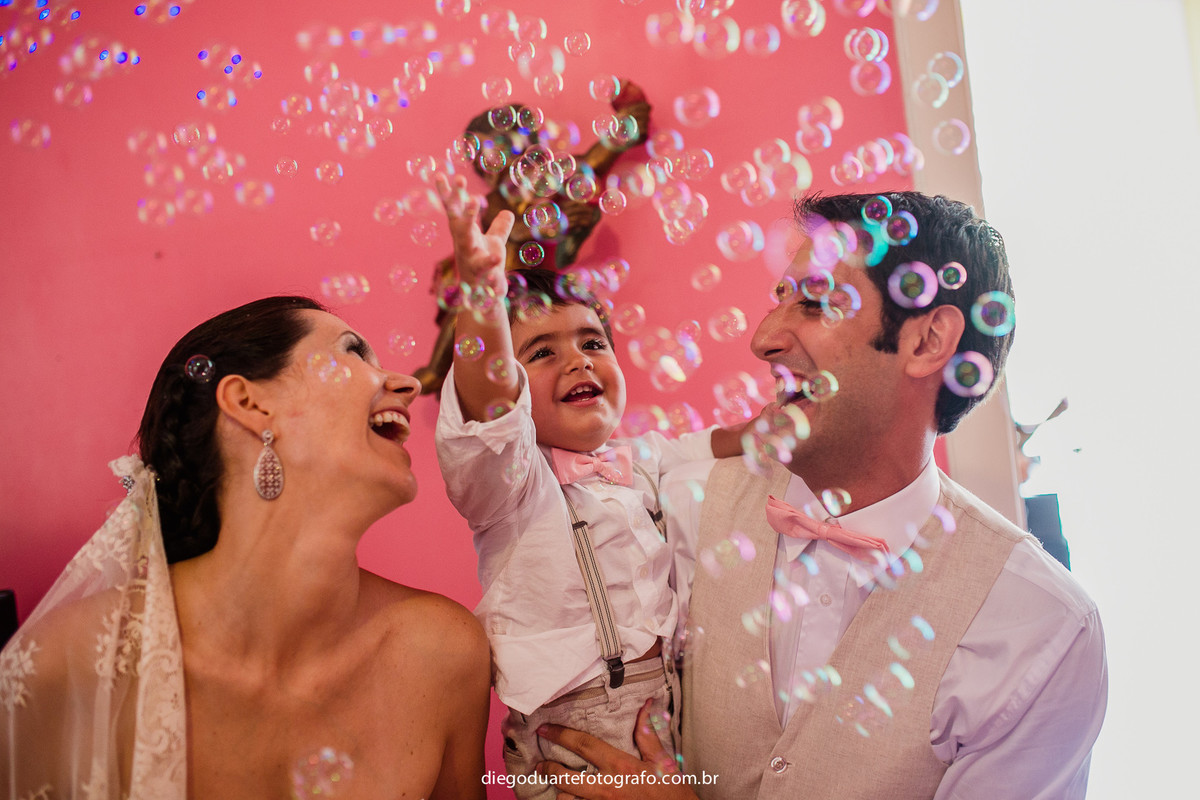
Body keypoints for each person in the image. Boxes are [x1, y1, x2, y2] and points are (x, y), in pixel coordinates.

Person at [536, 192, 1108, 799]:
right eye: (778, 300)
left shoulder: (1041, 631)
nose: (763, 340)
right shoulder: (680, 507)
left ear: (927, 340)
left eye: (814, 301)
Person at [0, 297, 490, 799]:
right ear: (250, 404)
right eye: (353, 353)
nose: (406, 384)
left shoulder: (444, 652)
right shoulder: (68, 664)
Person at [432, 174, 747, 799]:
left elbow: (725, 440)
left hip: (669, 718)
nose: (578, 360)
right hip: (564, 740)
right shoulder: (510, 485)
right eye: (542, 352)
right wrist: (482, 296)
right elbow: (491, 408)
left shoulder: (645, 459)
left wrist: (793, 420)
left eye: (592, 342)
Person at [415, 80, 652, 394]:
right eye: (491, 163)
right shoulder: (494, 204)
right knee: (467, 307)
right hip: (497, 285)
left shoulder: (558, 182)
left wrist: (632, 116)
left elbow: (602, 153)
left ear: (533, 149)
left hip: (538, 286)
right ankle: (435, 369)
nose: (504, 169)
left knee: (564, 333)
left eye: (510, 153)